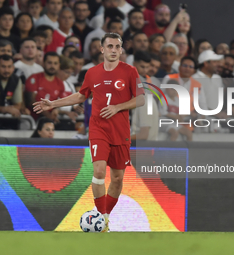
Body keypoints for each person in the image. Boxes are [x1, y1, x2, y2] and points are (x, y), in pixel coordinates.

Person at [33, 33, 145, 232]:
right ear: (102, 49)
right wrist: (53, 103)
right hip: (98, 128)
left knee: (118, 178)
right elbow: (81, 95)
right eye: (109, 46)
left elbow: (141, 99)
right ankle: (101, 220)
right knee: (99, 171)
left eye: (117, 47)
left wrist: (118, 107)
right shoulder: (92, 73)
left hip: (120, 131)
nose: (113, 50)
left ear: (121, 50)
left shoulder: (130, 71)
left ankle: (105, 216)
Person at [131, 51, 159, 141]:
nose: (145, 70)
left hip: (144, 152)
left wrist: (121, 140)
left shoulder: (145, 102)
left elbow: (144, 135)